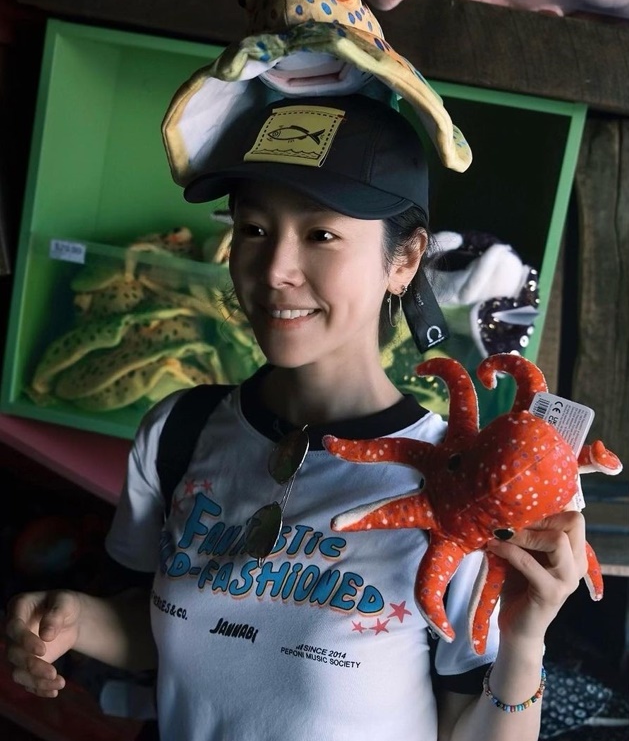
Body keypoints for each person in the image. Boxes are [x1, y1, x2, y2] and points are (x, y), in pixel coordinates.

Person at [5, 91, 587, 741]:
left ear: (403, 259)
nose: (275, 269)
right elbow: (167, 628)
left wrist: (523, 642)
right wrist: (74, 618)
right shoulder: (179, 432)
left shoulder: (460, 491)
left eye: (320, 235)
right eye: (253, 229)